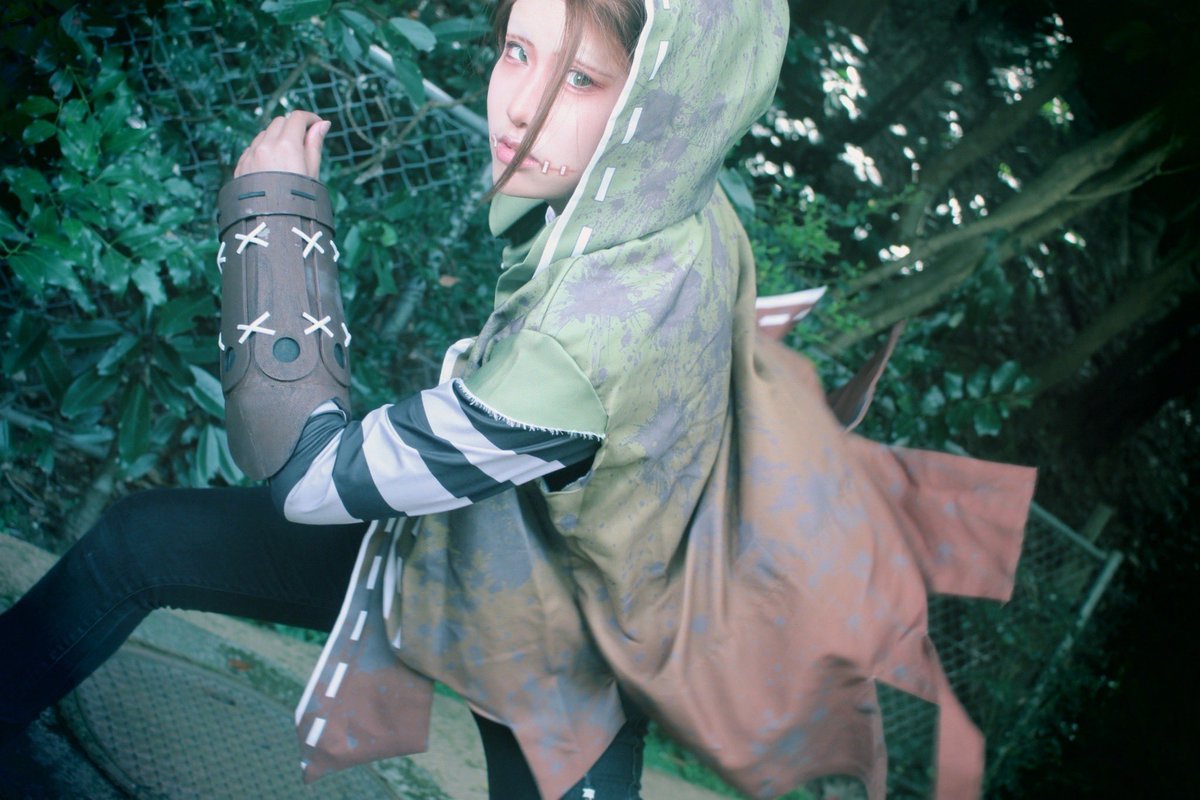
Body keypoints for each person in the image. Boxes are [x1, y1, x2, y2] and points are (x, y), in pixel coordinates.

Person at [1, 1, 1036, 799]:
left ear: (666, 109)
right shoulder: (682, 208)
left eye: (582, 78)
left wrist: (273, 219)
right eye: (517, 51)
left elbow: (309, 477)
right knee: (142, 542)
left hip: (570, 654)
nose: (522, 106)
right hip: (464, 549)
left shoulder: (586, 344)